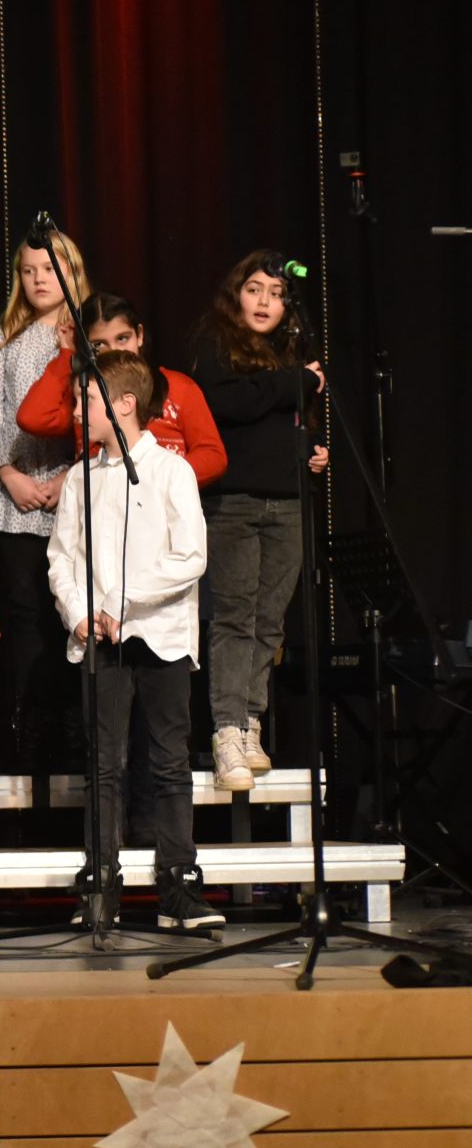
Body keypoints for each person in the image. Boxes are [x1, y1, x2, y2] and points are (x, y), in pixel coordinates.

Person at [50, 352, 221, 930]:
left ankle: (178, 886)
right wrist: (78, 612)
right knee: (104, 765)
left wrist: (123, 601)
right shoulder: (81, 478)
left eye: (85, 400)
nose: (77, 411)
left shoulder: (171, 471)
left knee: (169, 761)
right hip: (101, 639)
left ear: (124, 404)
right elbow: (62, 557)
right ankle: (101, 883)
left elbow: (190, 557)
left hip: (161, 635)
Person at [189, 251, 328, 792]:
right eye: (255, 289)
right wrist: (296, 383)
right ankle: (226, 730)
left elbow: (287, 421)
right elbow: (230, 404)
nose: (266, 301)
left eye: (276, 293)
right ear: (236, 294)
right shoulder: (216, 341)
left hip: (288, 501)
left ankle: (250, 720)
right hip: (235, 503)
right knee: (235, 617)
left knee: (270, 621)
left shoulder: (292, 349)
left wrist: (312, 450)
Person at [0, 225, 91, 773]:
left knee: (72, 618)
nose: (39, 279)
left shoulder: (87, 332)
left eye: (49, 269)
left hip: (76, 497)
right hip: (13, 503)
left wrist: (72, 476)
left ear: (72, 271)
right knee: (26, 621)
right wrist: (7, 473)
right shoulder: (5, 336)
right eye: (28, 271)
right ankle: (30, 743)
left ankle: (75, 740)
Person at [15, 293, 227, 488]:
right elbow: (32, 418)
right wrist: (67, 353)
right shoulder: (85, 395)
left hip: (161, 503)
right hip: (103, 506)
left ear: (139, 335)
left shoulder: (178, 387)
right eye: (99, 344)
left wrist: (155, 478)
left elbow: (213, 456)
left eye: (123, 338)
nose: (114, 350)